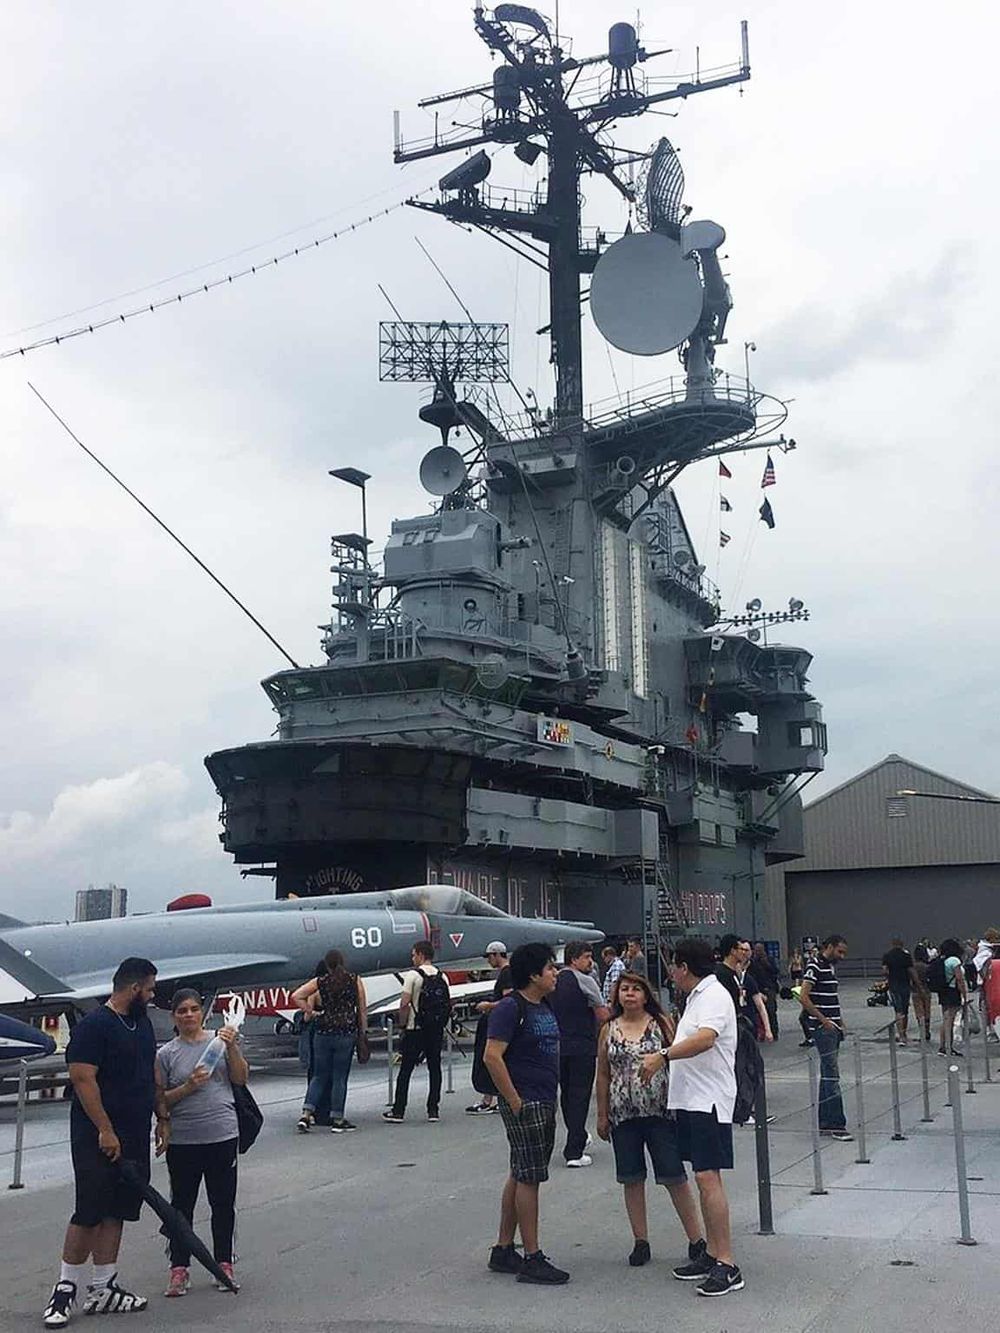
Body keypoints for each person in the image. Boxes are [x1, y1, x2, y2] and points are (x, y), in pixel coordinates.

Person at [43, 958, 165, 1329]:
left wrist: (163, 1115)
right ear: (134, 989)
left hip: (133, 1130)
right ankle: (65, 1288)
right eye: (150, 988)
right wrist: (105, 1129)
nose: (153, 994)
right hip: (97, 1134)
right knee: (91, 1209)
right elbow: (82, 1080)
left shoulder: (141, 1023)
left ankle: (103, 1286)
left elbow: (151, 1070)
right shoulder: (94, 1026)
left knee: (120, 1208)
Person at [639, 937, 742, 1298]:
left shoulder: (713, 996)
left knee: (707, 1176)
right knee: (703, 1177)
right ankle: (712, 1253)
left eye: (674, 966)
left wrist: (662, 1056)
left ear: (684, 967)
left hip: (708, 1102)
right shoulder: (697, 996)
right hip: (691, 1101)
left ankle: (727, 1262)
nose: (671, 973)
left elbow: (705, 1040)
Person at [595, 973, 705, 1269]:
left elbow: (680, 1059)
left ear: (646, 995)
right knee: (631, 1178)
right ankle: (640, 1240)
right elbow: (603, 1072)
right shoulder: (608, 1028)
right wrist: (601, 1113)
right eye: (624, 989)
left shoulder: (662, 1024)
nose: (629, 994)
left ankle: (697, 1239)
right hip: (624, 1114)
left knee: (674, 1176)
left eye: (636, 989)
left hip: (661, 1112)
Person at [155, 988, 249, 1296]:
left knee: (223, 1203)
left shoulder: (219, 1042)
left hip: (221, 1134)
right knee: (181, 1207)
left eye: (194, 1009)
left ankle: (224, 1263)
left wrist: (232, 1045)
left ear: (202, 1012)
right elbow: (160, 1101)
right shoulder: (166, 1054)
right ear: (174, 1017)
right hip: (184, 1140)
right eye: (182, 1011)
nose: (189, 1015)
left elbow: (240, 1078)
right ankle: (179, 1268)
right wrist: (188, 1087)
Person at [483, 942, 568, 1284]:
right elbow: (492, 1055)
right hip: (527, 1100)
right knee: (530, 1177)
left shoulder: (542, 1005)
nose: (555, 973)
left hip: (543, 1097)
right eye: (550, 968)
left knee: (520, 1172)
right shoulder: (510, 1007)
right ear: (533, 975)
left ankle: (504, 1248)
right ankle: (532, 1255)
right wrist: (515, 1101)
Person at [549, 941, 610, 1167]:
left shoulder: (553, 981)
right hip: (582, 1046)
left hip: (557, 1047)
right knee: (580, 1095)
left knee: (566, 1095)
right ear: (573, 959)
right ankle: (574, 1150)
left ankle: (578, 1135)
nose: (590, 961)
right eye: (586, 957)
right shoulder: (586, 981)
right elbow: (602, 1013)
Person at [292, 949, 367, 1133]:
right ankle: (338, 1119)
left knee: (318, 1075)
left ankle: (306, 1113)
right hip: (345, 1032)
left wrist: (312, 1012)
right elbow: (362, 1008)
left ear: (327, 965)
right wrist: (362, 1032)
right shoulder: (354, 979)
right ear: (343, 962)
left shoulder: (321, 982)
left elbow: (296, 996)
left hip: (323, 1032)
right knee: (340, 1077)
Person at [383, 942, 450, 1123]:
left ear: (420, 955)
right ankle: (433, 1109)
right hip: (435, 1030)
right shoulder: (443, 977)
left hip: (415, 1029)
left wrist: (402, 1026)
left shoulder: (413, 975)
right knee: (434, 1069)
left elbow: (404, 1003)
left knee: (405, 1070)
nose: (412, 958)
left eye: (413, 955)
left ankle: (398, 1110)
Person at [799, 935, 853, 1141]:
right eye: (839, 951)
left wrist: (840, 1021)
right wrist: (823, 1020)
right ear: (828, 947)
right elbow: (804, 996)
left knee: (827, 1073)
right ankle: (837, 1125)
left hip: (833, 1026)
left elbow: (832, 997)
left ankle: (825, 1121)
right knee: (832, 1075)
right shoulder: (815, 966)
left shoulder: (829, 967)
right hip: (824, 1028)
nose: (842, 956)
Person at [467, 941, 513, 1115]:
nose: (488, 961)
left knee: (489, 1057)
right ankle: (490, 1097)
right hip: (497, 1019)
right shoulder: (505, 973)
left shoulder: (506, 974)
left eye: (490, 957)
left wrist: (488, 1005)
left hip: (496, 1021)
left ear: (496, 955)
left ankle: (493, 1097)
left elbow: (508, 1000)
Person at [716, 936, 773, 1043]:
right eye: (741, 949)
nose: (744, 953)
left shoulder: (743, 976)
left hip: (745, 1026)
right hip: (728, 1030)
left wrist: (767, 1029)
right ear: (732, 951)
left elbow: (760, 1005)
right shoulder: (719, 975)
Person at [932, 938, 968, 1057]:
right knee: (950, 1020)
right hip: (953, 991)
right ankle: (948, 1046)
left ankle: (943, 1046)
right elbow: (959, 978)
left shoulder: (943, 960)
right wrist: (964, 993)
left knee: (946, 1019)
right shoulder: (954, 960)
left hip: (943, 991)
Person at [880, 938, 917, 1045]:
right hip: (905, 984)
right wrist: (917, 983)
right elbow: (911, 970)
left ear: (892, 944)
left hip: (893, 985)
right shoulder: (906, 956)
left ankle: (900, 1036)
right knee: (905, 1010)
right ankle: (904, 1034)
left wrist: (889, 977)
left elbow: (884, 970)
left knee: (898, 1010)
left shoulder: (887, 955)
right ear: (902, 945)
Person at [748, 943, 780, 1039]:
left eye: (760, 950)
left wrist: (767, 964)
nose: (758, 952)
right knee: (758, 1012)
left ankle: (774, 1032)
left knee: (771, 1011)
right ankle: (761, 1032)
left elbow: (775, 971)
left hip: (769, 988)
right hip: (758, 988)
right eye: (756, 950)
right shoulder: (752, 962)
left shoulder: (769, 959)